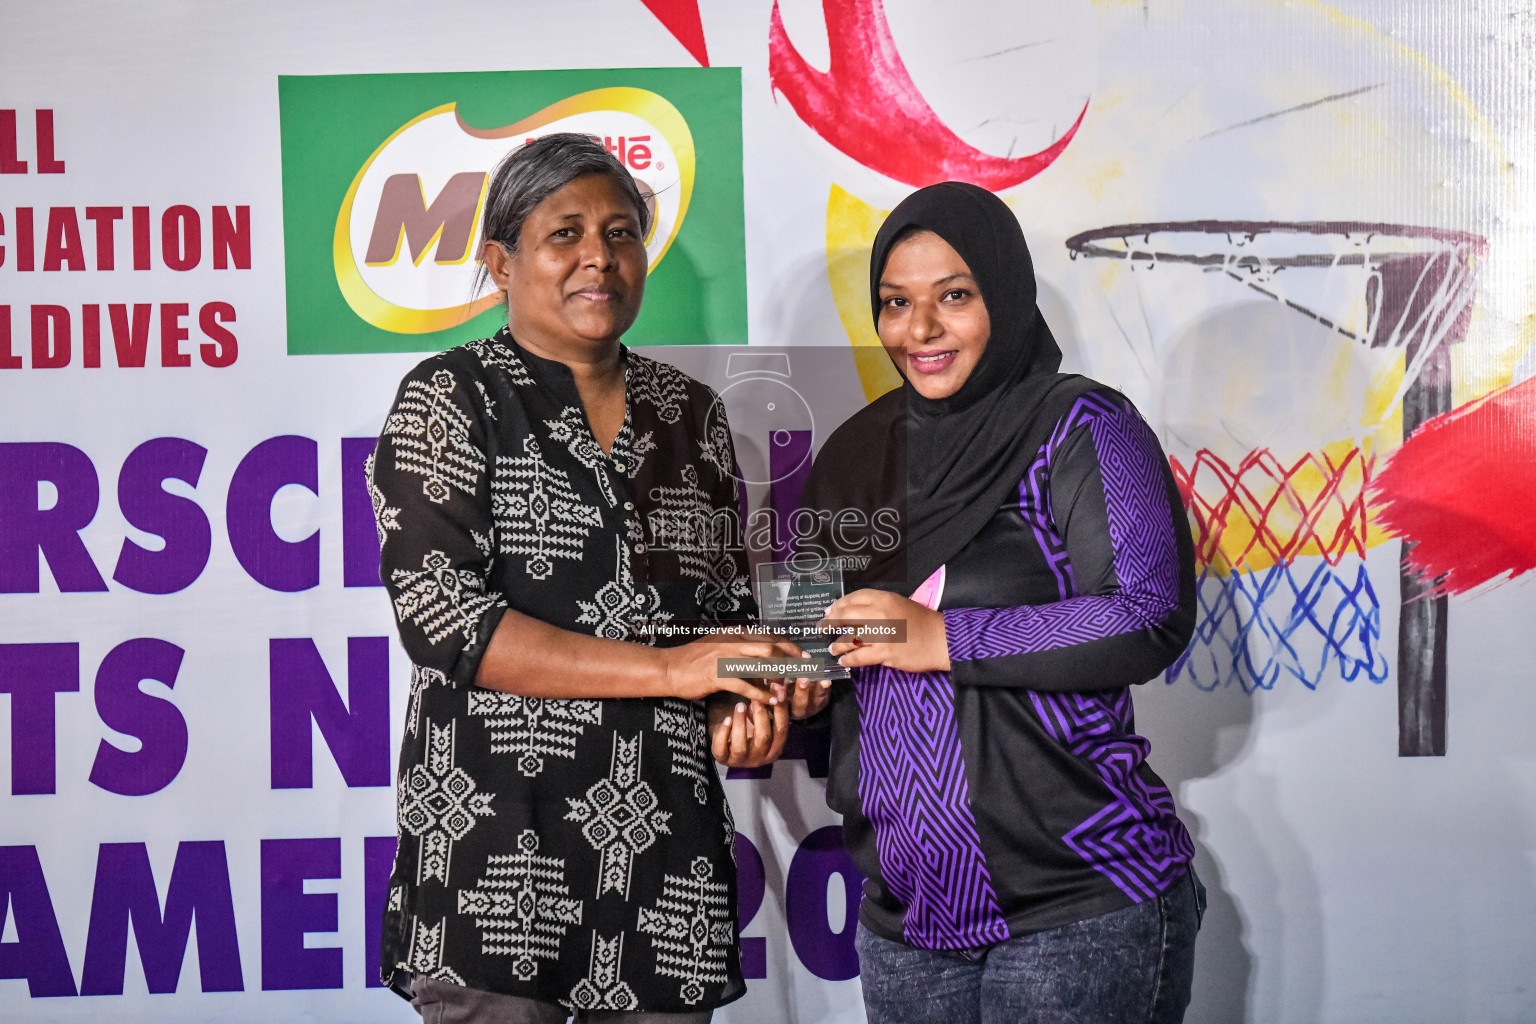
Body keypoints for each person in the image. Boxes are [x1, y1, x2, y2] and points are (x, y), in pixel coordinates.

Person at [367, 133, 822, 1024]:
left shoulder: (691, 415)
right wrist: (671, 671)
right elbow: (450, 626)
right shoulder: (449, 398)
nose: (598, 259)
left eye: (620, 233)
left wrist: (743, 709)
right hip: (497, 858)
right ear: (499, 263)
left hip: (666, 869)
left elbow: (724, 619)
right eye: (564, 234)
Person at [796, 181, 1204, 1024]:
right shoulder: (853, 455)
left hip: (1077, 904)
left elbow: (1147, 610)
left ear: (1004, 295)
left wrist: (945, 636)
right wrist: (773, 689)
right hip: (906, 920)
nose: (922, 330)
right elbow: (807, 635)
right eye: (896, 304)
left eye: (955, 296)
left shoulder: (1080, 425)